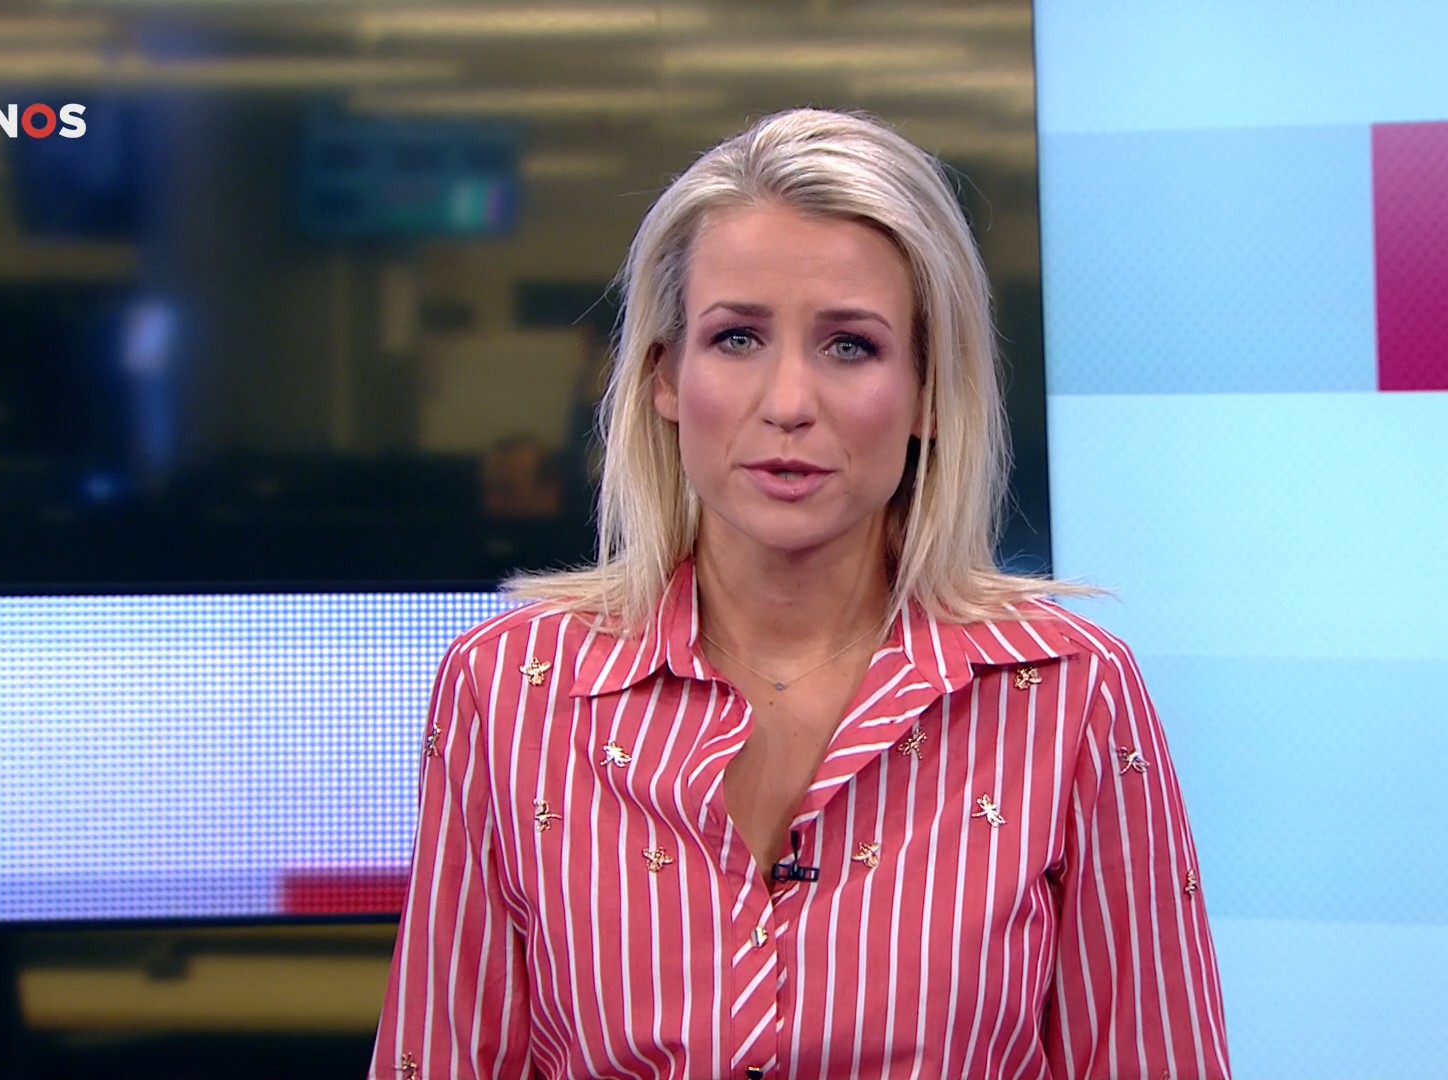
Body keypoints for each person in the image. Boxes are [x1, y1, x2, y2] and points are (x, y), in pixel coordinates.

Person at [367, 107, 1229, 1080]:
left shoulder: (1071, 694)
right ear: (663, 377)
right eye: (737, 338)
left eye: (849, 346)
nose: (786, 404)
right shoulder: (509, 692)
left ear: (930, 391)